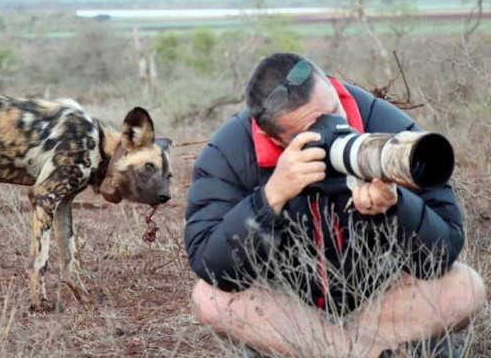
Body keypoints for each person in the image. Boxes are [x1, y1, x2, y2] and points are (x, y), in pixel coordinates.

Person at [184, 52, 486, 357]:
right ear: (275, 139)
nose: (334, 128)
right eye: (313, 131)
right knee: (209, 298)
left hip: (382, 302)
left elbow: (444, 250)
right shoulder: (230, 151)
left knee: (465, 287)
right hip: (290, 309)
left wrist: (395, 206)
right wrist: (271, 197)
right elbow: (210, 265)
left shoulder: (385, 125)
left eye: (334, 111)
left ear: (331, 87)